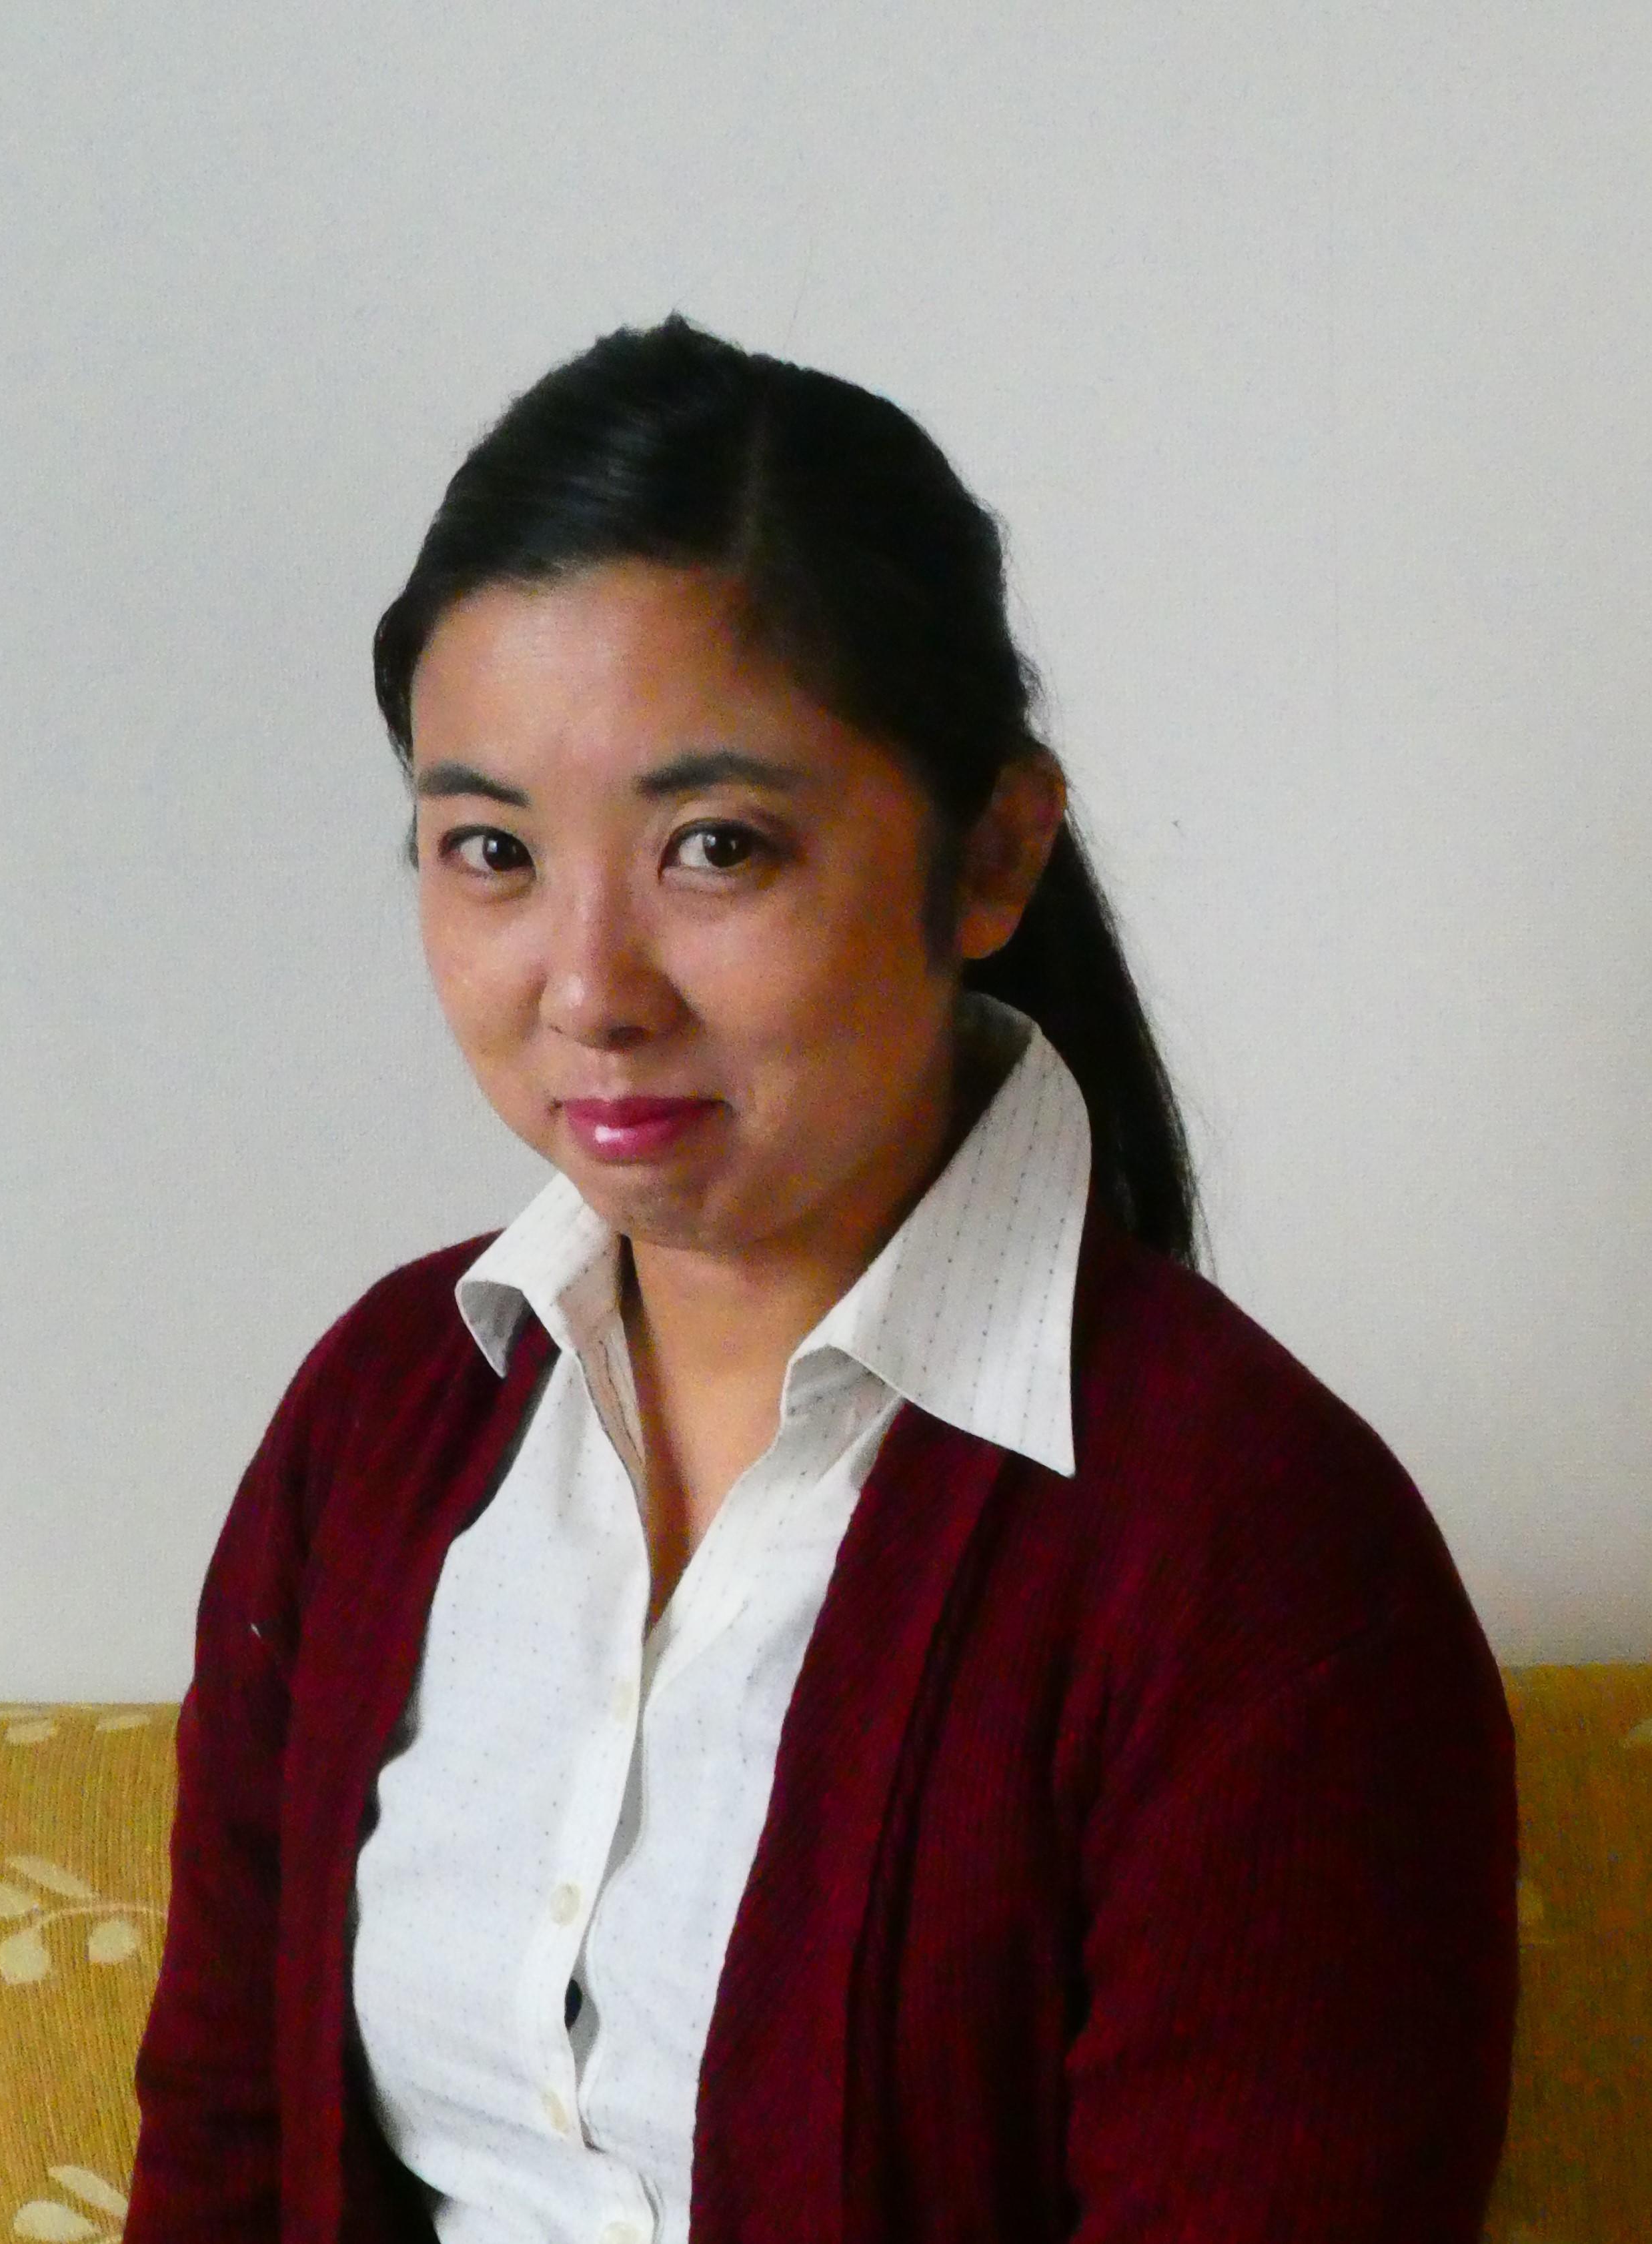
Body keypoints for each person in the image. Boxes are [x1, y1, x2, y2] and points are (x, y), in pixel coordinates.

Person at [124, 317, 1517, 2243]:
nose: (589, 986)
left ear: (991, 855)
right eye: (490, 849)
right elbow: (223, 2146)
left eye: (715, 846)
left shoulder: (1255, 1559)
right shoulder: (380, 1415)